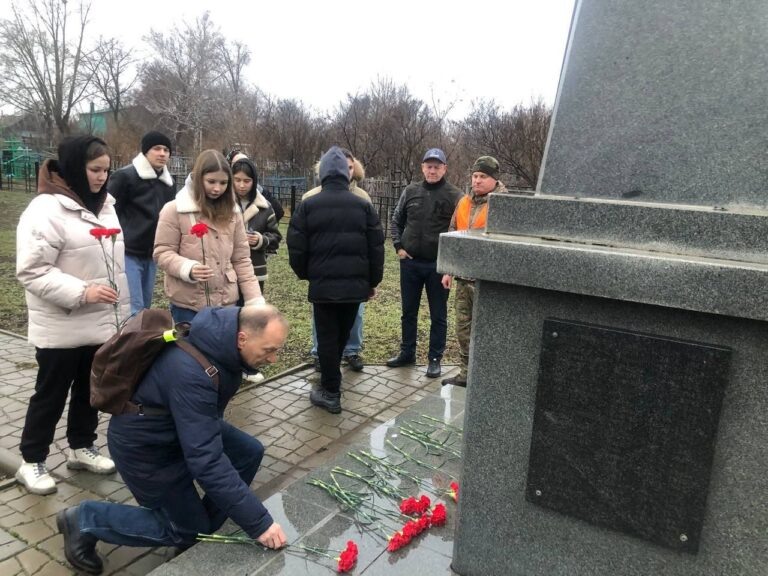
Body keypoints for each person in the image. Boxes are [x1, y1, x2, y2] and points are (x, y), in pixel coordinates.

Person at [55, 305, 289, 575]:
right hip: (146, 449)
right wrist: (259, 523)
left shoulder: (222, 348)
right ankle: (84, 519)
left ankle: (202, 529)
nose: (273, 360)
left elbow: (204, 439)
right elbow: (207, 461)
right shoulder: (193, 372)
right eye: (269, 350)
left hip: (179, 428)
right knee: (186, 530)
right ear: (242, 339)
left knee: (248, 451)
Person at [14, 135, 130, 495]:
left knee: (89, 391)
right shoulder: (46, 209)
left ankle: (82, 447)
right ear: (73, 167)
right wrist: (83, 292)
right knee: (50, 394)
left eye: (106, 170)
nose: (101, 177)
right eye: (95, 169)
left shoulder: (105, 204)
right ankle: (32, 461)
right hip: (62, 324)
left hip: (99, 322)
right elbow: (32, 270)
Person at [287, 146, 384, 414]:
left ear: (322, 174)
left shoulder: (308, 205)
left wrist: (307, 274)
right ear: (345, 173)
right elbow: (376, 247)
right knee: (340, 336)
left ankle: (330, 391)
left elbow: (296, 246)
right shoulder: (363, 205)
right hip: (355, 288)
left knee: (328, 339)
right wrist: (371, 282)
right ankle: (332, 383)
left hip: (324, 288)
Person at [154, 149, 264, 324]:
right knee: (190, 351)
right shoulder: (174, 210)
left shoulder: (233, 213)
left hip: (226, 303)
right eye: (211, 181)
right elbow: (162, 252)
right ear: (198, 179)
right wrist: (187, 268)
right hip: (188, 305)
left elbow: (242, 259)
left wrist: (254, 300)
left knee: (224, 351)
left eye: (223, 183)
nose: (217, 188)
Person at [387, 148, 462, 378]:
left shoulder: (455, 196)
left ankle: (435, 359)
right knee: (408, 312)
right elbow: (396, 219)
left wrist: (449, 264)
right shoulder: (410, 191)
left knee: (438, 315)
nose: (432, 170)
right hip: (410, 263)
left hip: (438, 267)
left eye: (437, 166)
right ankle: (407, 352)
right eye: (428, 166)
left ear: (444, 169)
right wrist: (399, 246)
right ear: (422, 167)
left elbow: (461, 231)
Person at [441, 156, 507, 387]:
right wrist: (448, 269)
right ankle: (466, 375)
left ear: (494, 179)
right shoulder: (463, 202)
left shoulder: (504, 204)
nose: (477, 181)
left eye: (483, 176)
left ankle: (488, 378)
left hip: (488, 281)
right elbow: (453, 234)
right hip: (463, 279)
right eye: (475, 176)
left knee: (489, 330)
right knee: (463, 329)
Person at [303, 150, 370, 372]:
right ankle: (320, 353)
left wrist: (369, 277)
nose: (346, 171)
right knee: (321, 318)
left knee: (355, 315)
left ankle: (351, 350)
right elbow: (302, 239)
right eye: (343, 167)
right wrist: (308, 271)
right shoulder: (310, 197)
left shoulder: (362, 198)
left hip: (353, 274)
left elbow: (371, 240)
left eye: (350, 167)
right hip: (324, 274)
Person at [109, 131, 175, 315]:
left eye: (166, 150)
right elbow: (109, 210)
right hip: (128, 251)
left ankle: (138, 340)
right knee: (133, 307)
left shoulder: (168, 183)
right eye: (157, 148)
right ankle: (130, 342)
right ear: (146, 151)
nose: (162, 153)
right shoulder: (125, 176)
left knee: (145, 307)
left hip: (152, 254)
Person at [231, 155, 281, 384]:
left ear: (254, 182)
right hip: (228, 271)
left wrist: (261, 239)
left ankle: (249, 365)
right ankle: (229, 361)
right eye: (237, 179)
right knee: (231, 317)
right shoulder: (222, 202)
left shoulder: (264, 206)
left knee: (252, 318)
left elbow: (276, 236)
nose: (241, 185)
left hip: (255, 270)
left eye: (247, 181)